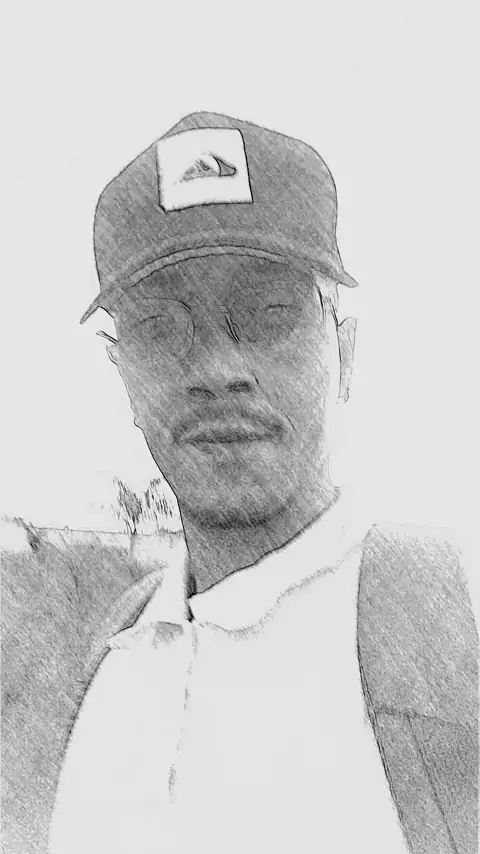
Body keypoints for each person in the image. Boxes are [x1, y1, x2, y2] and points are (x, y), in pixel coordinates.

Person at [49, 113, 478, 854]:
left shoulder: (457, 617)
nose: (218, 370)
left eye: (269, 313)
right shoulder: (110, 658)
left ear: (345, 353)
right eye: (160, 327)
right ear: (122, 377)